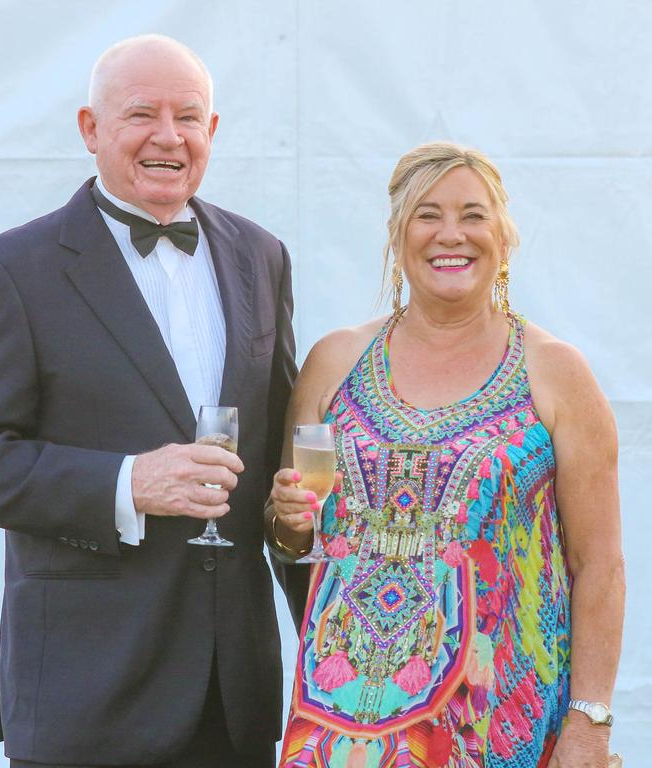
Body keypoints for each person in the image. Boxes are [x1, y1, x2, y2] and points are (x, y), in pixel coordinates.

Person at [0, 34, 305, 768]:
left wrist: (316, 596)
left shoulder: (263, 256)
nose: (168, 137)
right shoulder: (11, 269)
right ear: (90, 129)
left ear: (213, 132)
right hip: (86, 695)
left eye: (189, 117)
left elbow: (277, 452)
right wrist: (127, 483)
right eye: (141, 114)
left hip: (235, 700)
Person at [267, 142, 624, 767]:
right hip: (338, 723)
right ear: (398, 237)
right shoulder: (335, 362)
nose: (450, 234)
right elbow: (294, 539)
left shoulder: (556, 372)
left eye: (473, 215)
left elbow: (597, 565)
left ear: (504, 237)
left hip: (497, 719)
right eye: (427, 214)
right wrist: (286, 522)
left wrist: (590, 723)